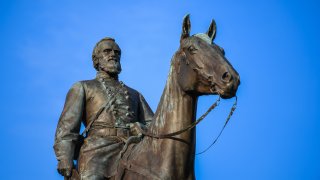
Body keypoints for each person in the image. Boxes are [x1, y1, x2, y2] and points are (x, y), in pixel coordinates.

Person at [53, 37, 154, 180]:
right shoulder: (83, 87)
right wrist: (64, 157)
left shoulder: (135, 94)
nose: (113, 55)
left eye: (117, 52)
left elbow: (154, 126)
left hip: (131, 149)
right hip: (97, 151)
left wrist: (141, 128)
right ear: (96, 60)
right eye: (107, 51)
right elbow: (67, 127)